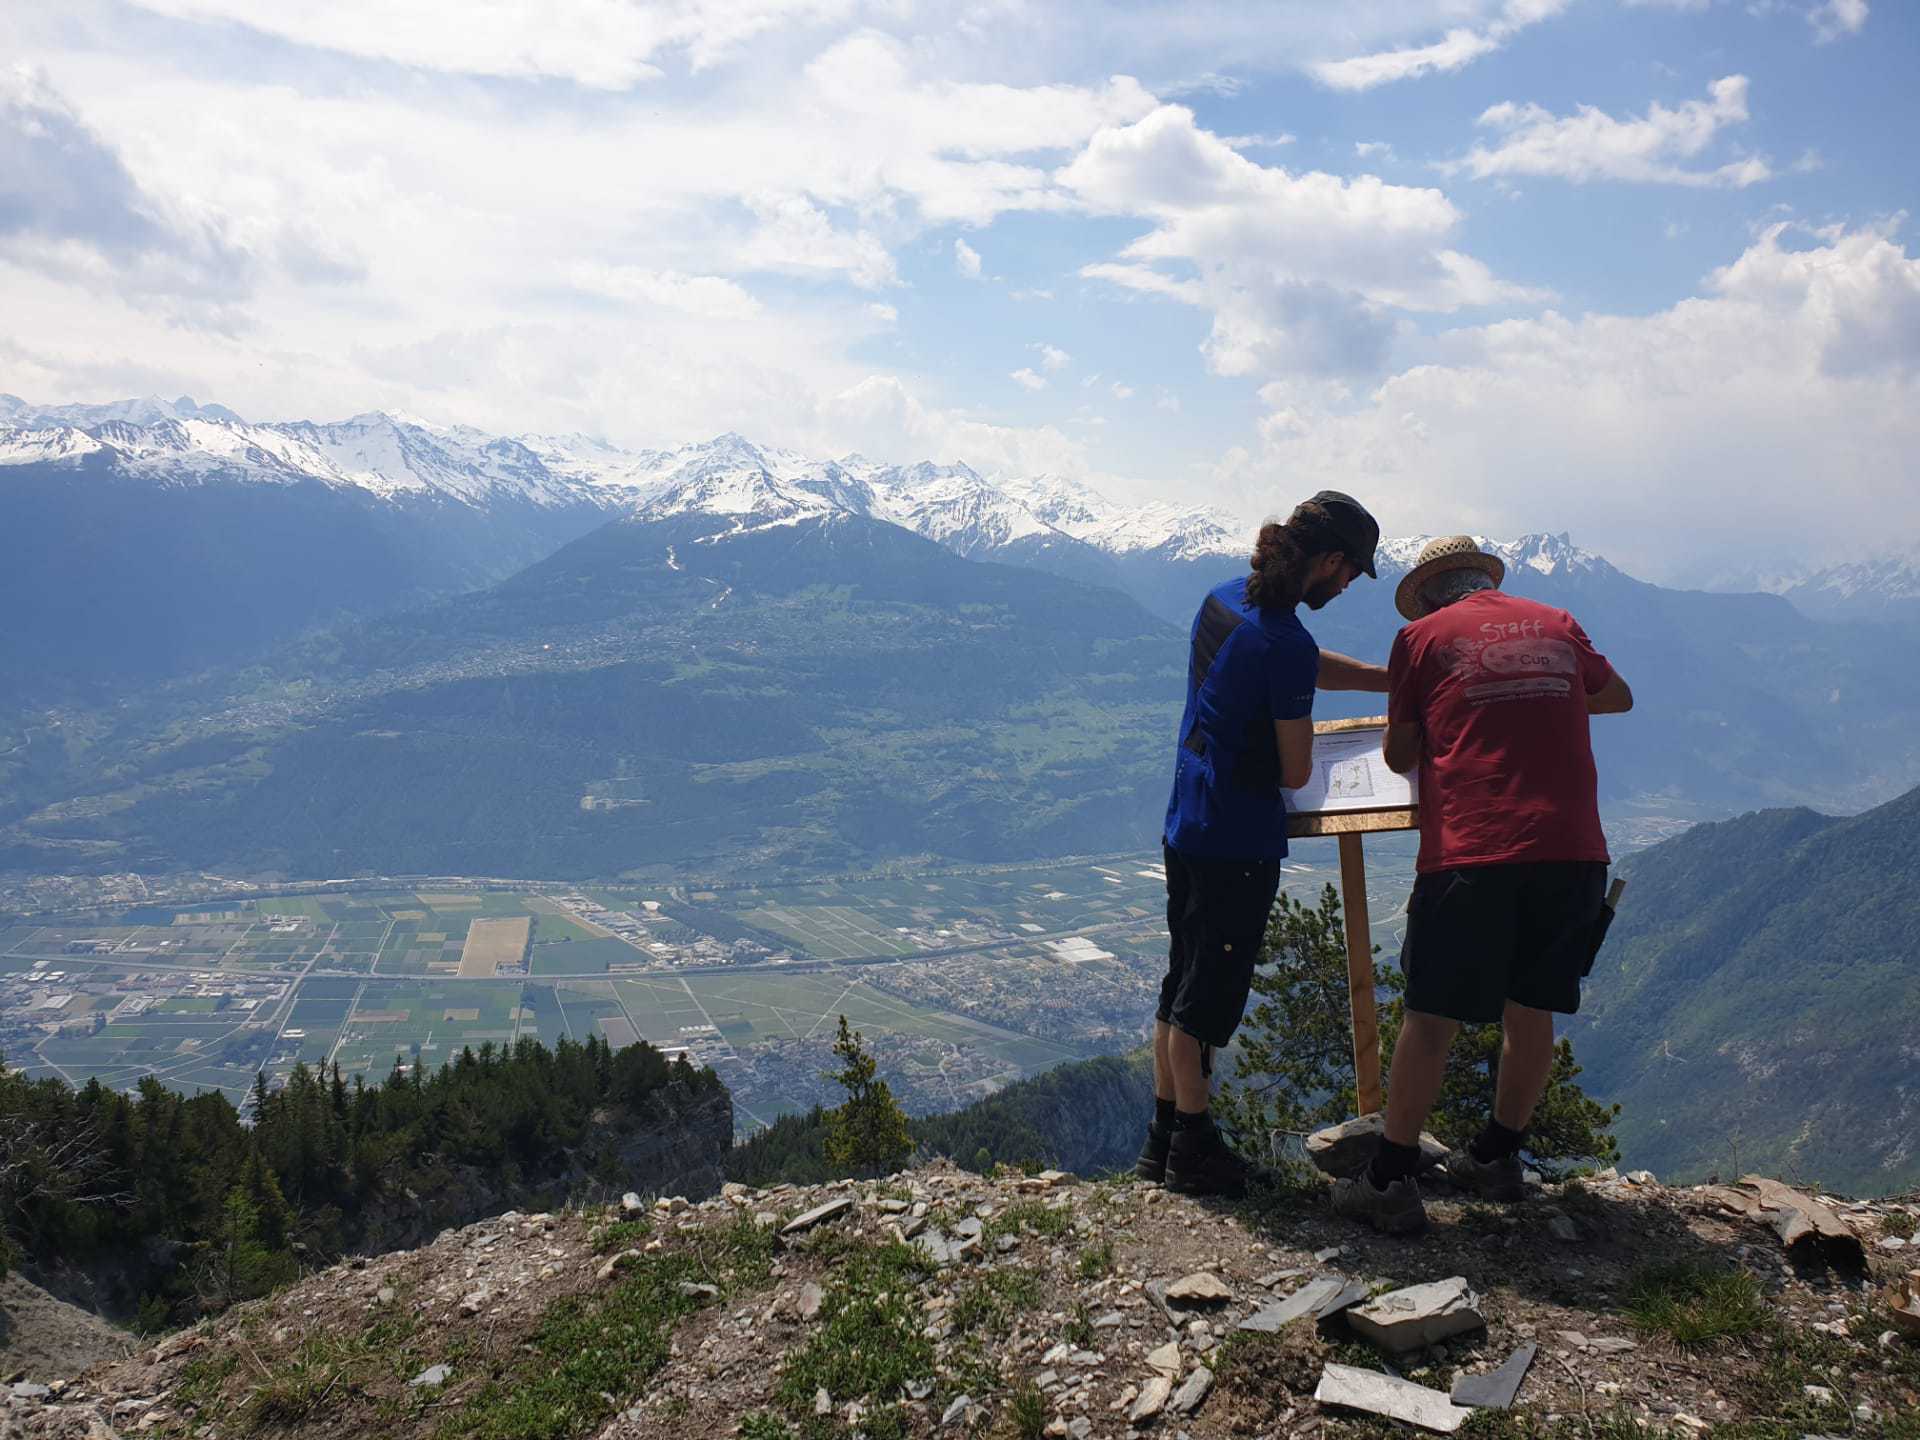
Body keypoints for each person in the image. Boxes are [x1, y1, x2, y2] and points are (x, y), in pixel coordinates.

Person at [1332, 536, 1633, 1234]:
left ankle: (1389, 1179)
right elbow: (1614, 697)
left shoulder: (1420, 637)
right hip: (1573, 848)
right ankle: (1498, 1157)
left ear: (1432, 594)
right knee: (1532, 1007)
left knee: (1431, 1016)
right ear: (1483, 582)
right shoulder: (1557, 622)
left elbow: (1400, 750)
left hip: (1475, 849)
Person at [1136, 491, 1391, 1197]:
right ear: (1329, 560)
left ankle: (1160, 1144)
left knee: (1178, 985)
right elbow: (1296, 769)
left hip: (1186, 819)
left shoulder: (1224, 598)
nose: (1347, 587)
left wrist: (1383, 681)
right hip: (1236, 840)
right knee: (1204, 1004)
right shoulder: (1285, 639)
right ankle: (1194, 1148)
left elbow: (1295, 663)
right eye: (1350, 573)